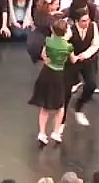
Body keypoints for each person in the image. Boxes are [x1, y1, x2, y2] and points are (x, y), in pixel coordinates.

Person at [30, 17, 76, 146]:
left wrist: (47, 60)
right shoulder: (68, 46)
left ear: (52, 30)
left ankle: (42, 133)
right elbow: (72, 60)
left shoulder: (48, 41)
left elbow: (43, 55)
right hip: (58, 75)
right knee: (60, 106)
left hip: (46, 73)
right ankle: (56, 132)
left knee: (45, 106)